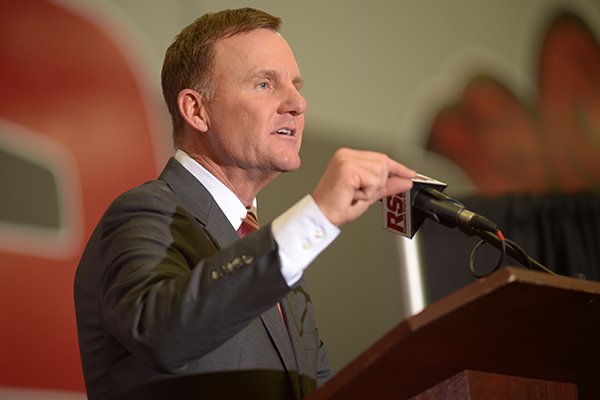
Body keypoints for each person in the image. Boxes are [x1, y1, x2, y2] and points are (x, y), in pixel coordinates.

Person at [74, 7, 415, 400]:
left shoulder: (270, 252)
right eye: (265, 85)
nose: (297, 104)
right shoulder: (145, 213)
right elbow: (161, 334)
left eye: (297, 85)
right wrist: (318, 214)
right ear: (196, 110)